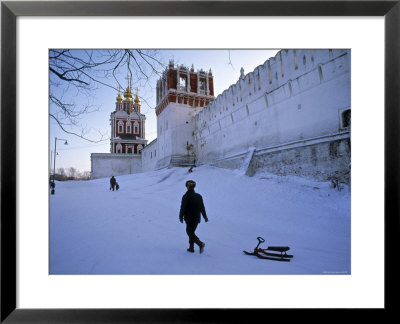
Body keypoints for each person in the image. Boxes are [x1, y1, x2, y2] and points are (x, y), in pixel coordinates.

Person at [179, 180, 208, 253]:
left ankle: (200, 243)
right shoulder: (198, 196)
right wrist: (205, 216)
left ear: (187, 187)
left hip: (189, 218)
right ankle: (191, 248)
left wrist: (180, 216)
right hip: (197, 218)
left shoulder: (186, 196)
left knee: (189, 232)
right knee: (191, 232)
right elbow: (202, 207)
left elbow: (183, 207)